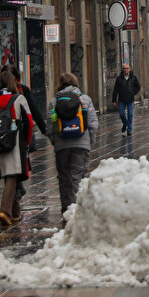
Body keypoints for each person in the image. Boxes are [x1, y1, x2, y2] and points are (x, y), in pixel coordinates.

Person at [49, 74, 98, 218]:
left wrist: (55, 142)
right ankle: (77, 210)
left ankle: (66, 209)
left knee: (64, 177)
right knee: (78, 176)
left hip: (61, 146)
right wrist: (90, 143)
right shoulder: (85, 99)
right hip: (81, 145)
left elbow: (50, 126)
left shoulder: (54, 101)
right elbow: (93, 124)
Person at [0, 69, 33, 227]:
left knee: (7, 174)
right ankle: (5, 210)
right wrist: (26, 142)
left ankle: (16, 212)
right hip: (14, 143)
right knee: (12, 176)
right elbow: (29, 122)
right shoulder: (19, 99)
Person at [112, 63, 141, 134]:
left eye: (127, 68)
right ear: (123, 69)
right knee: (121, 114)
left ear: (129, 69)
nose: (126, 70)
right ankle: (125, 123)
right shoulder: (119, 78)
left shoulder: (133, 78)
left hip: (130, 99)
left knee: (130, 114)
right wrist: (114, 100)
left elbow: (138, 86)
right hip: (121, 99)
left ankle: (129, 129)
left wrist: (133, 92)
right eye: (124, 68)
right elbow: (115, 90)